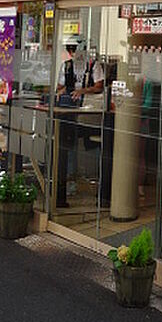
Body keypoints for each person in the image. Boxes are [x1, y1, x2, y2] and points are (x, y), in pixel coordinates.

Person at [54, 37, 105, 207]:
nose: (72, 53)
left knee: (93, 145)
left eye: (74, 49)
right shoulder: (66, 66)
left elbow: (99, 86)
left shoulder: (93, 65)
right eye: (70, 49)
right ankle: (69, 182)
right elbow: (60, 86)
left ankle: (98, 181)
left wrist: (83, 91)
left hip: (89, 112)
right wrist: (62, 92)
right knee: (68, 146)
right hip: (69, 111)